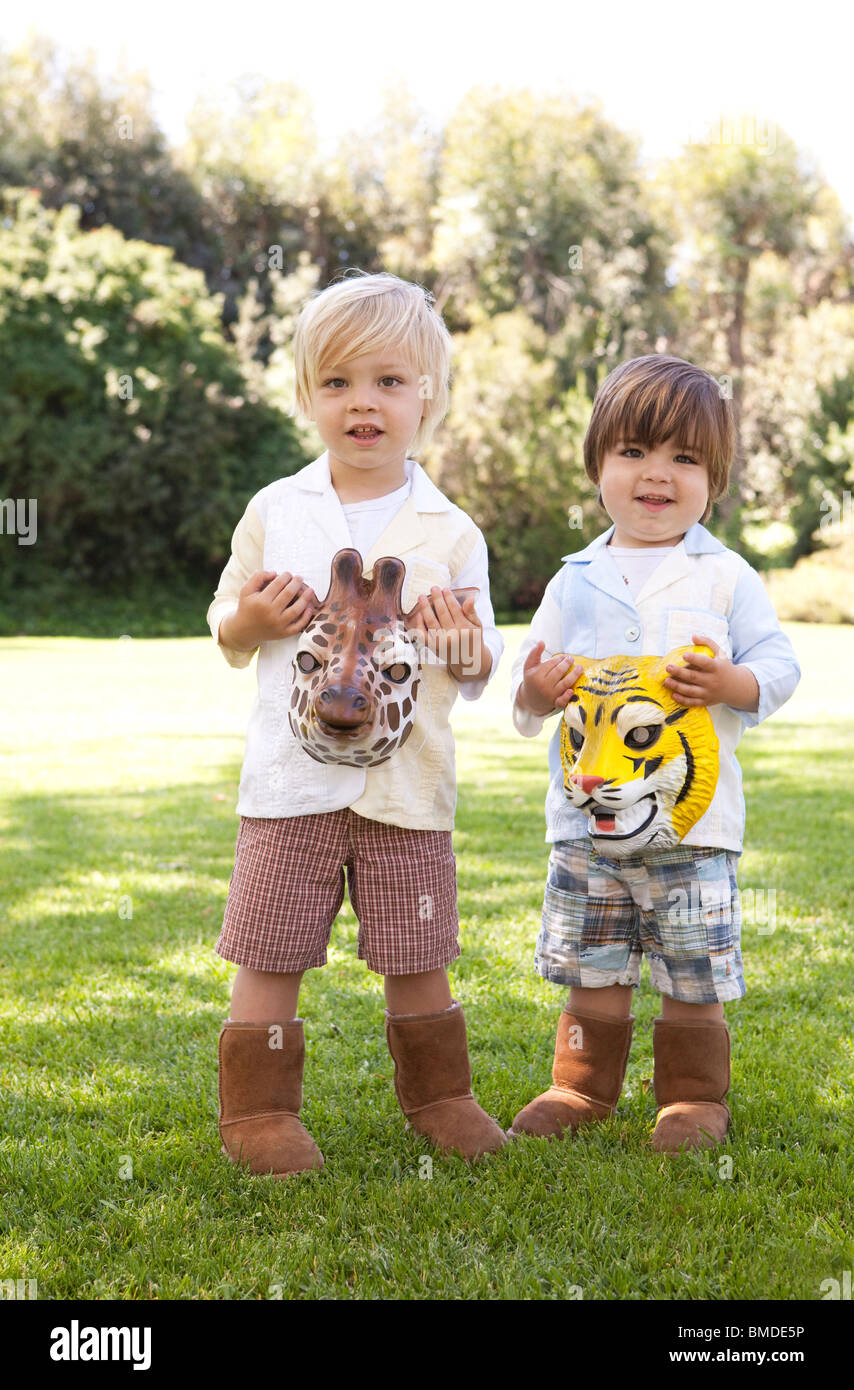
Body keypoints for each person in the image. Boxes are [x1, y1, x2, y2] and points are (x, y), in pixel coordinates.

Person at [207, 270, 507, 1176]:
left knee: (416, 950)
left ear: (430, 395)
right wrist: (254, 623)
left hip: (407, 788)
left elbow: (480, 665)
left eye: (387, 381)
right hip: (288, 788)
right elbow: (227, 621)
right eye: (336, 383)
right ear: (308, 396)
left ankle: (440, 1095)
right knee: (271, 944)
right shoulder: (277, 510)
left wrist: (463, 647)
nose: (361, 403)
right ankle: (259, 1112)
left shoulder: (449, 531)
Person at [509, 354, 801, 1152]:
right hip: (588, 826)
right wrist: (537, 690)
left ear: (715, 478)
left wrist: (731, 681)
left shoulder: (725, 577)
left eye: (684, 458)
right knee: (592, 966)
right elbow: (526, 682)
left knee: (691, 968)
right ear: (598, 464)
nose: (656, 475)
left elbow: (780, 667)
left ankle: (692, 1099)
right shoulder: (574, 580)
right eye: (633, 452)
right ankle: (580, 1087)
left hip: (692, 830)